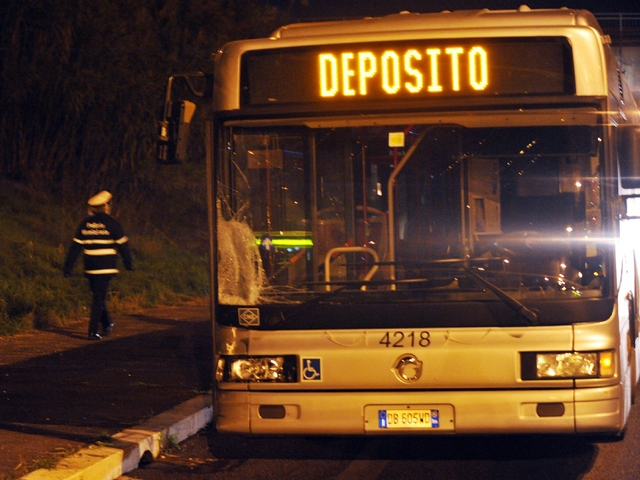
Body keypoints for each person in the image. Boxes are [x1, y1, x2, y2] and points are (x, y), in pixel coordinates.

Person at [63, 190, 133, 340]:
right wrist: (128, 263)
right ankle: (93, 331)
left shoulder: (85, 223)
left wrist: (68, 267)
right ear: (106, 206)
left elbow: (75, 247)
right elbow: (123, 246)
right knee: (99, 298)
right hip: (106, 266)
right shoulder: (112, 223)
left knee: (98, 296)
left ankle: (107, 323)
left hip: (90, 266)